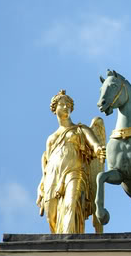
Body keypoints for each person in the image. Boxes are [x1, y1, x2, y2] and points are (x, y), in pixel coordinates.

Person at [36, 90, 106, 233]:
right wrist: (41, 188)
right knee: (52, 215)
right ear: (55, 108)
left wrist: (98, 149)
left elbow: (94, 144)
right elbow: (46, 166)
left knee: (71, 205)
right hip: (53, 178)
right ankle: (60, 248)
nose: (66, 107)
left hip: (75, 172)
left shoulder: (80, 129)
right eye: (62, 104)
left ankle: (69, 243)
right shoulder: (50, 139)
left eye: (68, 104)